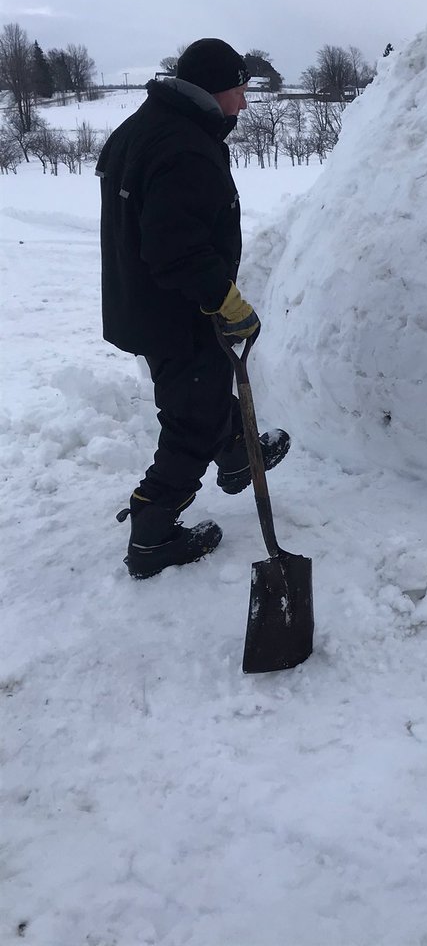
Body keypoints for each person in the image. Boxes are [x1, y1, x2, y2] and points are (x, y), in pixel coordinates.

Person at [96, 38, 290, 579]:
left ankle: (234, 453)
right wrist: (227, 302)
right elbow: (175, 247)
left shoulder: (146, 125)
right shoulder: (184, 147)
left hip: (145, 302)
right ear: (214, 88)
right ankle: (153, 530)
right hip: (176, 309)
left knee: (197, 392)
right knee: (191, 415)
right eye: (239, 90)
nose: (244, 104)